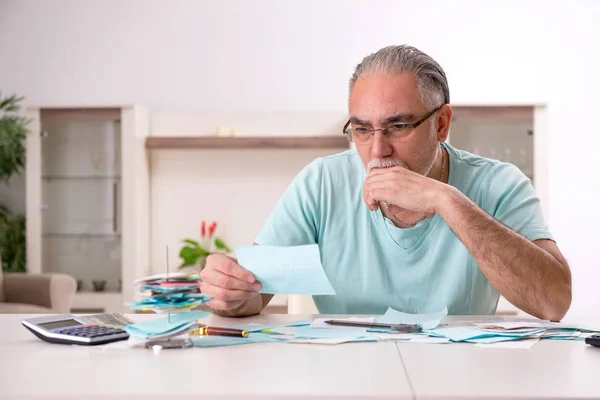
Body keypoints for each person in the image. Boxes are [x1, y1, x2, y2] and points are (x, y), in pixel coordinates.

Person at [199, 45, 572, 321]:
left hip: (461, 377)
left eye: (398, 126)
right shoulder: (320, 183)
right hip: (348, 378)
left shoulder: (500, 183)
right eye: (362, 129)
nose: (378, 150)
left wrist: (446, 200)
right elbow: (254, 295)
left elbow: (553, 302)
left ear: (441, 124)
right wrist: (230, 289)